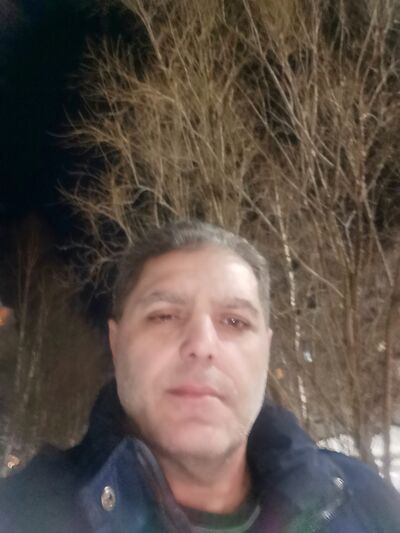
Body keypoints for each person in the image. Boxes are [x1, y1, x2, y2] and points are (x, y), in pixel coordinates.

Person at [0, 220, 399, 533]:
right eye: (164, 316)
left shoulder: (366, 503)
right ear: (117, 344)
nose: (202, 344)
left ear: (266, 349)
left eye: (235, 321)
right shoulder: (21, 513)